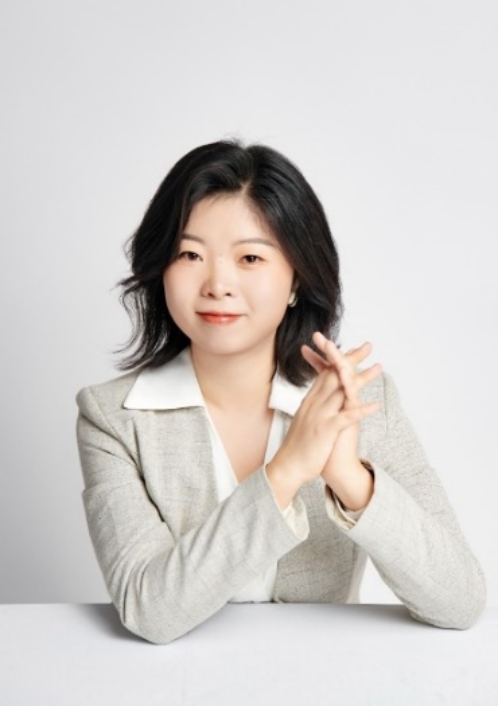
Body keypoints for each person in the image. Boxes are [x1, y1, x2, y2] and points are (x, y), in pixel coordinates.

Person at [75, 139, 486, 645]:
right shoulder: (112, 417)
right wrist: (286, 471)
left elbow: (460, 601)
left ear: (296, 280)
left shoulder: (359, 399)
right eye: (190, 254)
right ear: (161, 268)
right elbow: (149, 611)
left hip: (327, 677)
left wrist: (349, 478)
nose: (218, 284)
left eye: (250, 257)